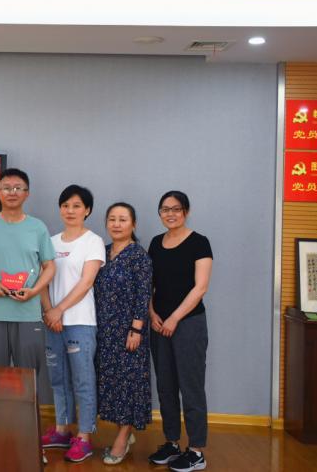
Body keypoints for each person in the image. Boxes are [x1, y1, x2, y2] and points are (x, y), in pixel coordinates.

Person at [147, 191, 213, 472]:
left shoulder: (199, 242)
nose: (170, 214)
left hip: (188, 323)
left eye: (176, 209)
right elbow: (149, 284)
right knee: (166, 385)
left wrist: (174, 318)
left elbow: (201, 287)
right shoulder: (155, 243)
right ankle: (172, 442)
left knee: (191, 386)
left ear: (186, 211)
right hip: (159, 324)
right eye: (165, 209)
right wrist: (152, 313)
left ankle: (196, 450)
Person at [39, 185, 105, 463]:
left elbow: (86, 282)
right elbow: (42, 281)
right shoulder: (50, 242)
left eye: (77, 205)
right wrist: (49, 312)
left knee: (83, 380)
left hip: (80, 322)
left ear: (87, 210)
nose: (70, 210)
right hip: (52, 321)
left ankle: (84, 437)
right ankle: (62, 430)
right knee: (58, 378)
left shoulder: (93, 241)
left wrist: (59, 310)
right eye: (65, 205)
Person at [0, 168, 56, 374]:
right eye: (6, 188)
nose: (12, 192)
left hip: (28, 313)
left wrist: (34, 291)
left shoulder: (38, 227)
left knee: (29, 376)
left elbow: (50, 266)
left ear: (27, 193)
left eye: (18, 188)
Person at [94, 202, 153, 465]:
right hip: (104, 329)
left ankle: (122, 437)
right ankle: (124, 432)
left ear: (133, 224)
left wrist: (136, 328)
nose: (116, 224)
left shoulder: (139, 256)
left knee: (129, 383)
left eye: (123, 219)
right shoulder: (102, 251)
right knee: (113, 382)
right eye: (112, 219)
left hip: (129, 331)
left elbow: (144, 294)